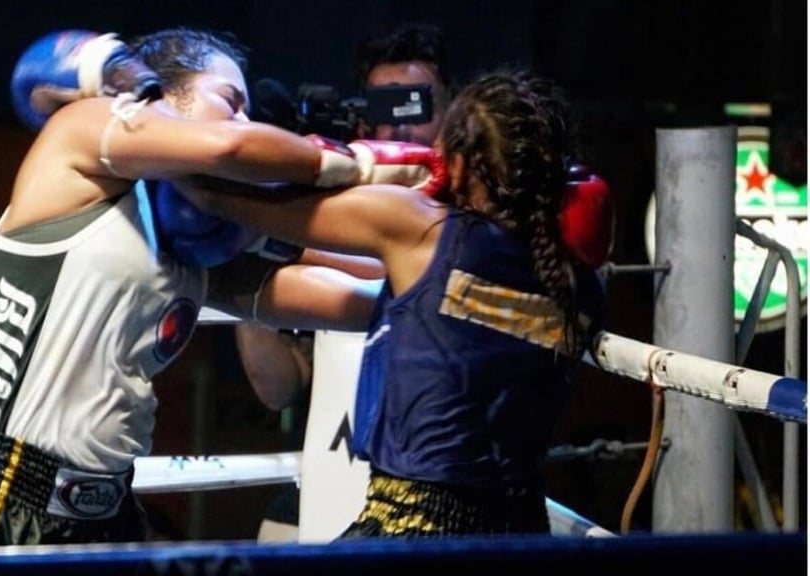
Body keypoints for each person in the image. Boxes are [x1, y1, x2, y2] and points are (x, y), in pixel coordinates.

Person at [0, 27, 445, 547]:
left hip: (108, 511)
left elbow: (350, 294)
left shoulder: (194, 238)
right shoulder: (82, 136)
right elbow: (229, 146)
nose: (243, 120)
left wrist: (444, 268)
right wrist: (366, 163)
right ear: (164, 96)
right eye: (229, 99)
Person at [172, 66, 610, 537]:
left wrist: (165, 155)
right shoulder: (581, 281)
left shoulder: (422, 229)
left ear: (458, 162)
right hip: (521, 532)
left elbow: (242, 203)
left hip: (417, 525)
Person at [237, 22, 456, 542]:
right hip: (335, 480)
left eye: (415, 104)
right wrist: (246, 273)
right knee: (275, 530)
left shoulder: (476, 214)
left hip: (433, 488)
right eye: (386, 107)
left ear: (452, 112)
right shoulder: (333, 213)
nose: (400, 126)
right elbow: (278, 388)